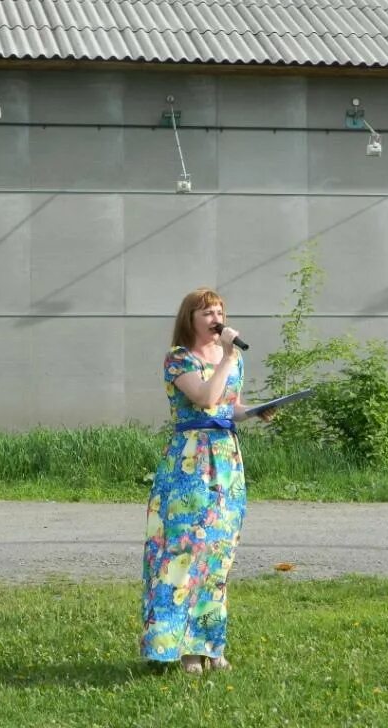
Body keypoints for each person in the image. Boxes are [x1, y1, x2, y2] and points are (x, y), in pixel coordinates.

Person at [140, 287, 272, 675]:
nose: (216, 319)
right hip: (190, 461)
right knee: (186, 551)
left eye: (219, 311)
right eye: (207, 313)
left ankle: (211, 645)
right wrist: (229, 356)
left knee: (218, 555)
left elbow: (228, 407)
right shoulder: (178, 359)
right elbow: (204, 399)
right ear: (190, 320)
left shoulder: (231, 360)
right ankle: (181, 649)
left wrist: (254, 412)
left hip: (226, 460)